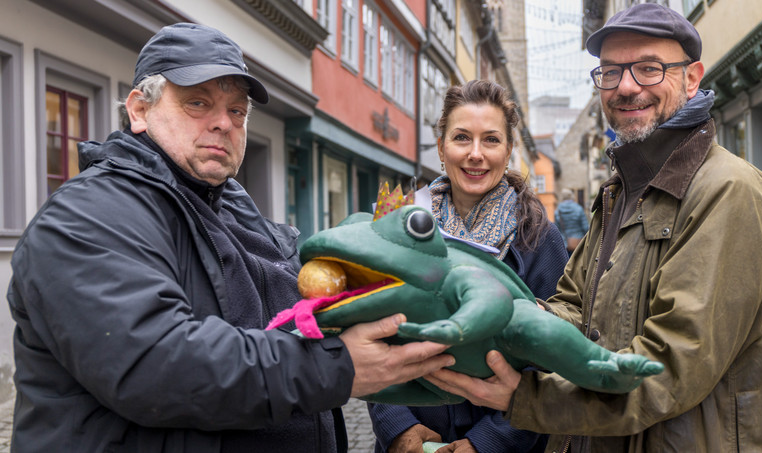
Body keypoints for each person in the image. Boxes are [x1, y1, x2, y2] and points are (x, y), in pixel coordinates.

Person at [6, 22, 454, 453]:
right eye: (197, 103)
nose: (224, 122)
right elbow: (158, 367)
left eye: (236, 110)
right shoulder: (88, 214)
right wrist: (338, 365)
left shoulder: (232, 207)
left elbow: (304, 317)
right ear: (140, 110)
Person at [423, 4, 762, 452]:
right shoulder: (622, 192)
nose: (626, 86)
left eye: (648, 68)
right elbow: (572, 308)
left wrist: (526, 398)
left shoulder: (729, 193)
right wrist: (506, 321)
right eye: (611, 71)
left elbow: (667, 368)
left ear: (692, 77)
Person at [368, 80, 568, 453]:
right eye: (462, 138)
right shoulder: (399, 222)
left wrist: (487, 443)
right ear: (441, 147)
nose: (475, 153)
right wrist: (397, 428)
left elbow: (552, 361)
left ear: (508, 150)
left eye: (491, 140)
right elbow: (371, 329)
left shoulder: (540, 238)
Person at [554, 188, 589, 253]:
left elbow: (557, 230)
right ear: (571, 196)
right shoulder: (579, 209)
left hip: (565, 245)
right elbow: (585, 227)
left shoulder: (557, 211)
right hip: (579, 243)